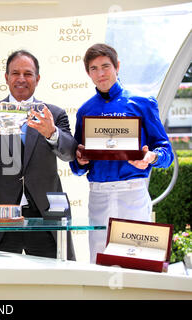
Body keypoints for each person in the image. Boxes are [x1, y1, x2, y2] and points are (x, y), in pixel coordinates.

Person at [69, 43, 174, 263]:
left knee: (138, 263)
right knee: (99, 264)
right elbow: (77, 166)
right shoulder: (85, 111)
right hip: (98, 195)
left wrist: (151, 157)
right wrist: (80, 160)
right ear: (88, 73)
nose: (101, 73)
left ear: (117, 66)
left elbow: (166, 152)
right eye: (94, 68)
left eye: (105, 66)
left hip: (133, 192)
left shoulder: (143, 103)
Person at [0, 50, 77, 259]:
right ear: (6, 78)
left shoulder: (53, 114)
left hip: (45, 217)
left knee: (52, 286)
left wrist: (52, 133)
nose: (21, 79)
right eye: (15, 73)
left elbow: (70, 153)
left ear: (38, 78)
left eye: (28, 73)